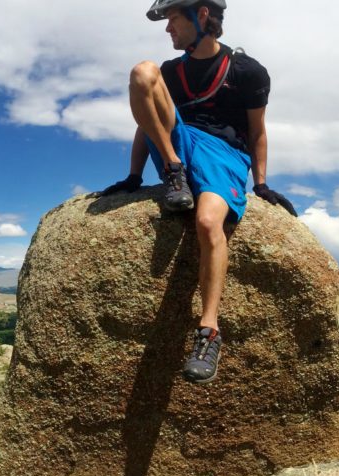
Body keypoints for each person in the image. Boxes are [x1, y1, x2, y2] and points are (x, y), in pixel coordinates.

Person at [98, 0, 292, 384]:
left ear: (202, 15)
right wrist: (134, 175)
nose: (168, 28)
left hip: (225, 155)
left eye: (173, 19)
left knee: (206, 222)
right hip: (180, 145)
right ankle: (174, 172)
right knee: (143, 73)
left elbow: (257, 132)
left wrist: (261, 183)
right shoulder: (171, 72)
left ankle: (209, 332)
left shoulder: (246, 71)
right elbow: (145, 124)